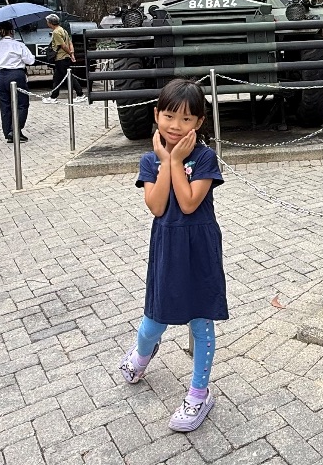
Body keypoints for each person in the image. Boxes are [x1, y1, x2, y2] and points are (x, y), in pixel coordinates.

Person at [118, 78, 226, 432]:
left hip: (199, 246)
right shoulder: (150, 160)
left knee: (201, 321)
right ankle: (141, 354)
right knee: (154, 318)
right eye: (169, 116)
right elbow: (157, 205)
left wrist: (176, 159)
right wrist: (166, 161)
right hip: (167, 244)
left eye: (186, 119)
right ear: (156, 115)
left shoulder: (204, 157)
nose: (176, 126)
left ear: (199, 121)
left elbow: (190, 202)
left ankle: (199, 394)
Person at [0, 21, 34, 143]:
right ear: (12, 31)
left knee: (5, 105)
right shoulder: (18, 45)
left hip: (0, 76)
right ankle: (15, 130)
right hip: (16, 74)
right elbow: (30, 61)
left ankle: (8, 132)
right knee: (22, 104)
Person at [43, 14, 84, 103]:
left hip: (61, 58)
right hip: (64, 58)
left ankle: (80, 94)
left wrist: (69, 53)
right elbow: (70, 43)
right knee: (57, 79)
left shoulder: (56, 32)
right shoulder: (63, 30)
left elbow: (63, 45)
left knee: (69, 77)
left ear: (50, 23)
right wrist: (72, 54)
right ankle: (53, 96)